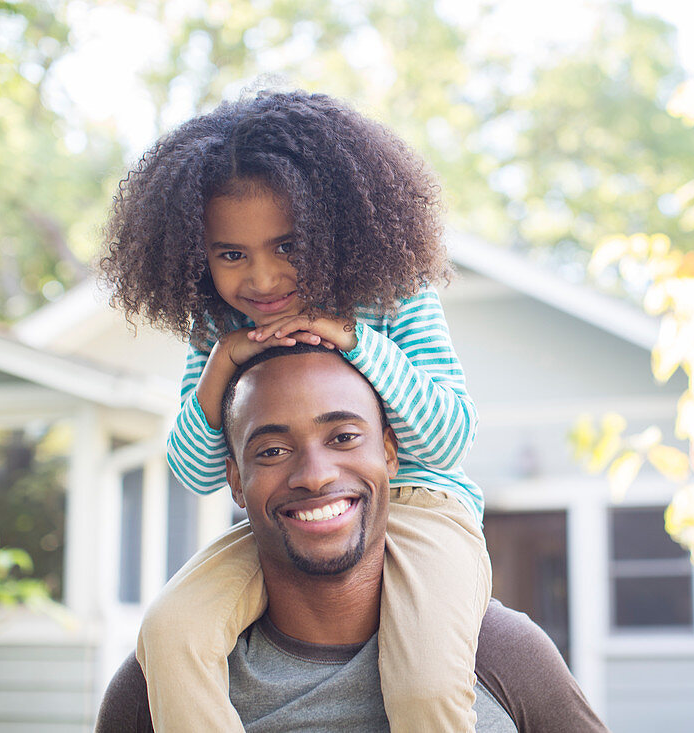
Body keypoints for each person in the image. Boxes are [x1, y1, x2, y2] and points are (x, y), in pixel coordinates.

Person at [99, 90, 489, 732]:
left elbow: (448, 439)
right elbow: (198, 473)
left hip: (421, 506)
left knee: (425, 687)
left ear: (335, 229)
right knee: (171, 632)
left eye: (287, 247)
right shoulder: (222, 327)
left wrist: (355, 340)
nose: (262, 279)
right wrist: (222, 366)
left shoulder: (390, 294)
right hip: (284, 523)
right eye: (231, 255)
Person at [94, 344, 609, 732]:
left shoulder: (500, 655)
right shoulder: (159, 682)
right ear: (234, 480)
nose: (314, 475)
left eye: (343, 437)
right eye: (272, 451)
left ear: (390, 452)